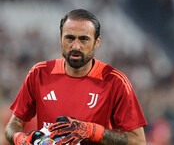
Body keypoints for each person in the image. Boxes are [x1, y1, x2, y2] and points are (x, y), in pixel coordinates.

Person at [5, 9, 147, 145]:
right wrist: (19, 139)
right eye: (70, 38)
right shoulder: (39, 74)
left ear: (97, 42)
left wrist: (91, 131)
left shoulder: (115, 81)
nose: (76, 46)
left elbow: (138, 141)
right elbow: (13, 125)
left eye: (84, 39)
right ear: (61, 38)